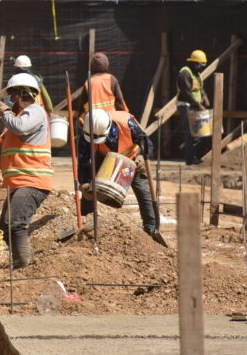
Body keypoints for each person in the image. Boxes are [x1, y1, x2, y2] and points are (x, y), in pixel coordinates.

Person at [0, 73, 53, 269]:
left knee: (15, 222)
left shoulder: (35, 111)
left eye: (11, 96)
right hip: (19, 182)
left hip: (33, 180)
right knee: (5, 226)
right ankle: (25, 260)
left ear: (20, 95)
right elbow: (2, 157)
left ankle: (23, 265)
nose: (9, 102)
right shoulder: (15, 121)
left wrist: (6, 112)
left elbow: (21, 127)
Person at [77, 109, 164, 245]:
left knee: (143, 191)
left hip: (130, 160)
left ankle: (151, 228)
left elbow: (146, 141)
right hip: (105, 158)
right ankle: (85, 219)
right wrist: (84, 181)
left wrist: (142, 156)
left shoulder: (127, 123)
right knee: (90, 189)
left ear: (109, 127)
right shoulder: (88, 132)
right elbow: (83, 159)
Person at [176, 50, 211, 165]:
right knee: (190, 133)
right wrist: (198, 105)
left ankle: (193, 154)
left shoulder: (196, 74)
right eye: (200, 65)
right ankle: (190, 160)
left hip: (195, 107)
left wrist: (204, 96)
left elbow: (199, 88)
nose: (201, 68)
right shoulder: (185, 73)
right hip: (186, 106)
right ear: (194, 63)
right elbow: (186, 92)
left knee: (198, 132)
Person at [73, 52, 128, 121]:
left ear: (92, 67)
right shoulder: (111, 79)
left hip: (93, 122)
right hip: (110, 120)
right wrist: (124, 116)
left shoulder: (89, 82)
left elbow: (82, 105)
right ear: (106, 64)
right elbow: (119, 101)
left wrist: (79, 118)